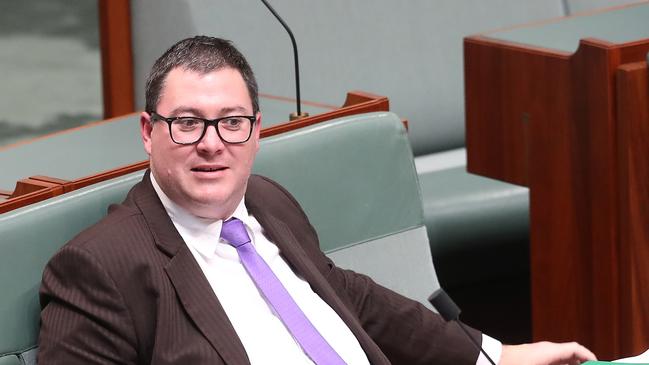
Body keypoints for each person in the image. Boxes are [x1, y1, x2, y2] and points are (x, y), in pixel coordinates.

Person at [38, 36, 596, 365]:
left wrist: (493, 356)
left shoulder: (267, 201)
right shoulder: (100, 267)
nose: (212, 144)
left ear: (257, 131)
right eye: (187, 123)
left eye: (231, 123)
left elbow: (352, 297)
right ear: (148, 131)